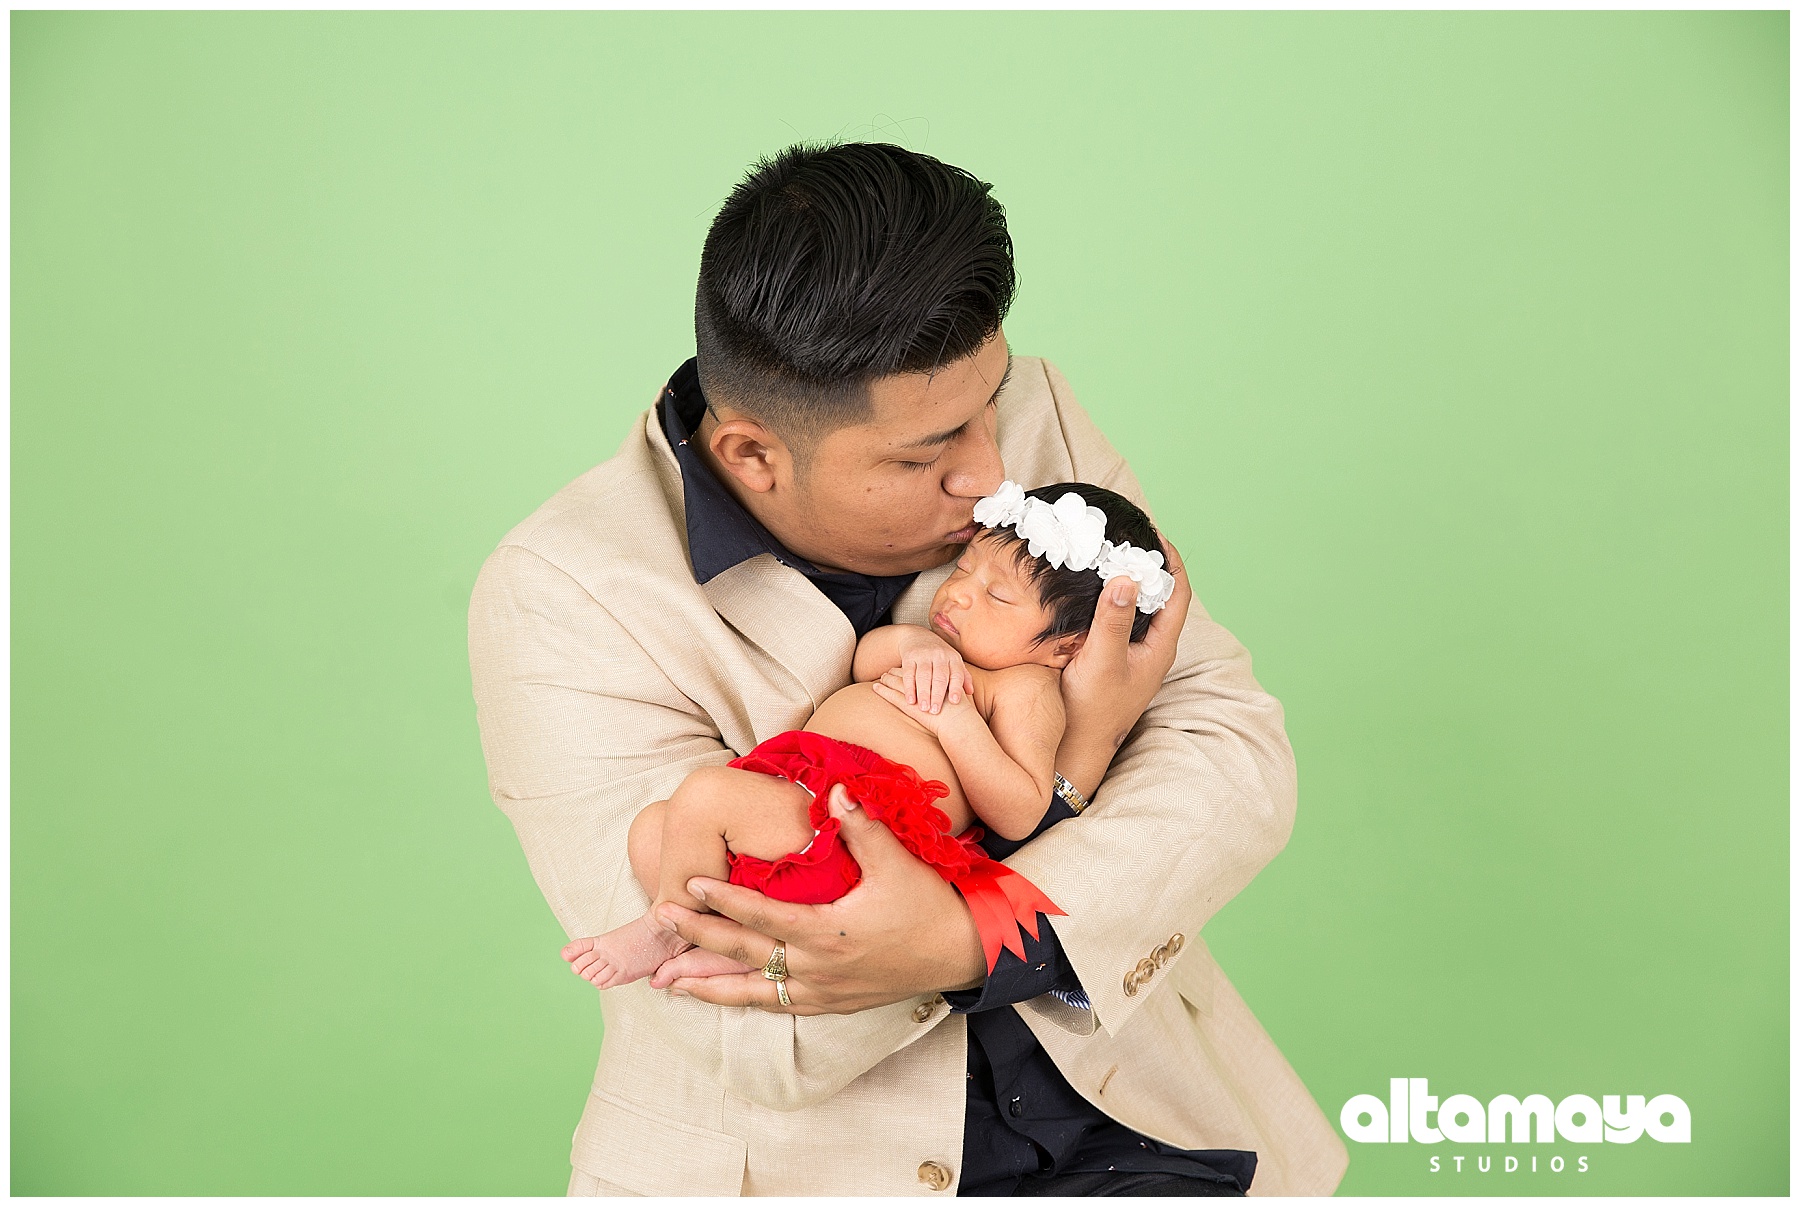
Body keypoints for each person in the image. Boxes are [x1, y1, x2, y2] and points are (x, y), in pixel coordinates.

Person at [467, 141, 1348, 1196]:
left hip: (1149, 1121)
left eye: (994, 405)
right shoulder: (563, 589)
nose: (992, 473)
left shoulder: (1027, 419)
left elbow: (1231, 753)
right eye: (925, 457)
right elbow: (751, 1023)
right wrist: (1079, 764)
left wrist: (971, 933)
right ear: (753, 455)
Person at [559, 483, 1176, 992]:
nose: (959, 593)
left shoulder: (1023, 688)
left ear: (1066, 646)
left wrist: (958, 723)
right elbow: (866, 661)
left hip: (861, 833)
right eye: (964, 569)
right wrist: (916, 643)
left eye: (996, 595)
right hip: (803, 803)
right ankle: (733, 942)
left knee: (704, 796)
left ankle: (668, 927)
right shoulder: (940, 650)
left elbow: (1019, 810)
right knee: (655, 829)